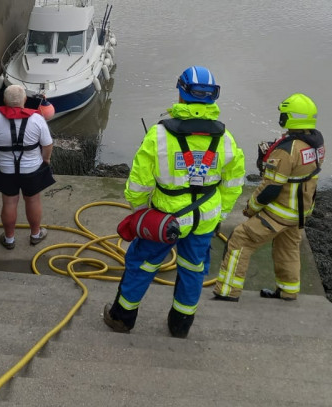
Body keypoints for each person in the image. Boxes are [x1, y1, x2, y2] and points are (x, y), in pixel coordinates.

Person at [103, 66, 246, 338]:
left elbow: (138, 184)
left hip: (163, 218)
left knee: (142, 265)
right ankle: (180, 326)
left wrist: (142, 213)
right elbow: (233, 184)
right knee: (193, 270)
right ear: (213, 98)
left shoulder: (159, 135)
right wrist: (220, 215)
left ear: (181, 92)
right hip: (204, 220)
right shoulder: (226, 140)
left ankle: (122, 318)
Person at [212, 93, 325, 303]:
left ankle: (227, 291)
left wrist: (250, 209)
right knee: (288, 249)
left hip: (278, 213)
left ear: (289, 117)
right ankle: (287, 291)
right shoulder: (316, 144)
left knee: (240, 239)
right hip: (299, 213)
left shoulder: (286, 150)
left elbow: (270, 188)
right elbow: (298, 170)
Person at [0, 84, 55, 249]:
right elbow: (48, 145)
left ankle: (9, 239)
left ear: (5, 100)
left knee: (9, 203)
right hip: (32, 169)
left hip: (4, 170)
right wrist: (46, 159)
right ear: (25, 100)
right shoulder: (37, 119)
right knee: (33, 200)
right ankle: (35, 235)